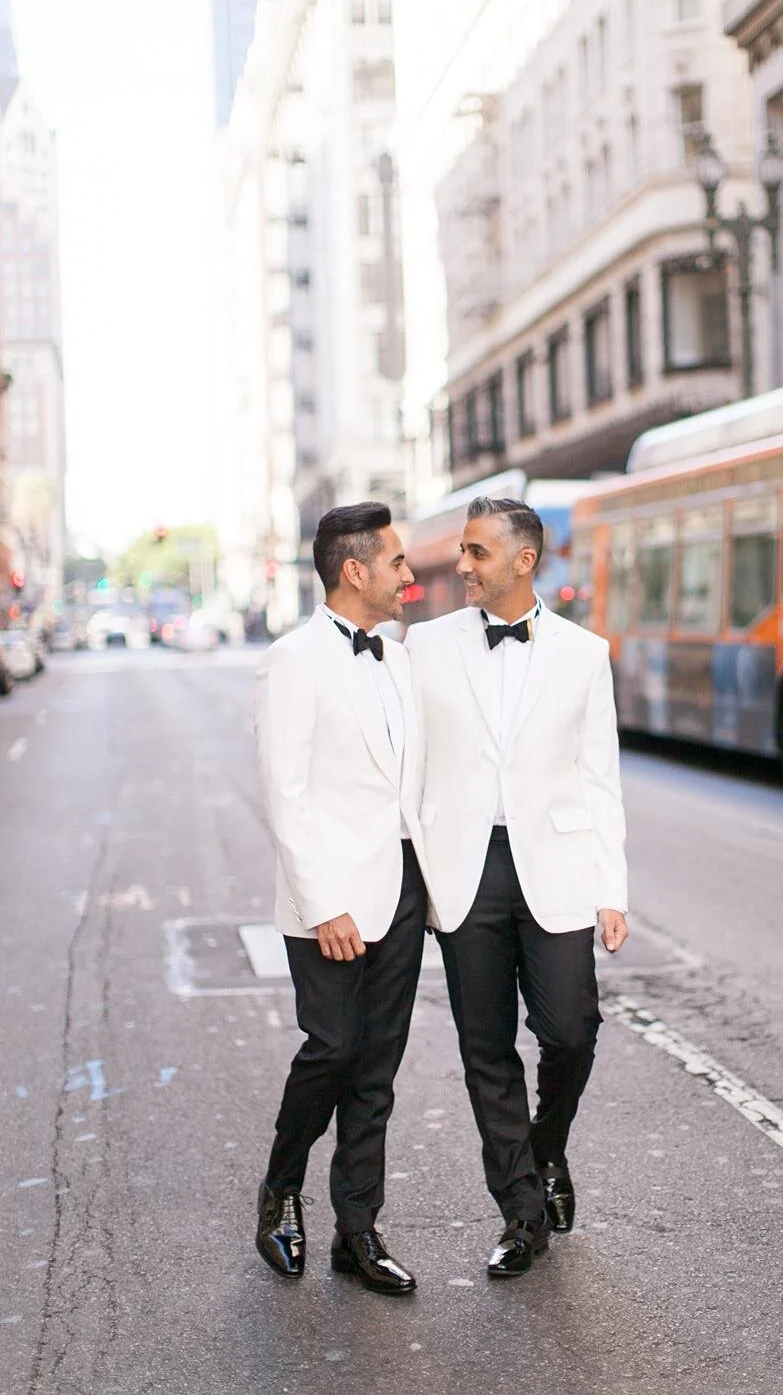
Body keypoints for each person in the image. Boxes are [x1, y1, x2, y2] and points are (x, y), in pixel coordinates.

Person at [405, 495, 628, 1279]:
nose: (461, 566)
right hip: (466, 871)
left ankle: (545, 1150)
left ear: (522, 560)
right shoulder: (424, 646)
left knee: (571, 1030)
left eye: (476, 553)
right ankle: (520, 1213)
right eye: (462, 552)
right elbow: (409, 767)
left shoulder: (583, 653)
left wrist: (612, 887)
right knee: (484, 1048)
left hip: (557, 867)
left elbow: (600, 778)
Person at [252, 502, 431, 1296]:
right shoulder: (294, 661)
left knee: (377, 1069)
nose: (409, 575)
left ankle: (356, 1234)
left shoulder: (398, 660)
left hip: (401, 891)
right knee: (331, 1047)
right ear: (355, 571)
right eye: (397, 562)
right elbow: (284, 794)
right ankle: (280, 1187)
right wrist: (323, 902)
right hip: (330, 898)